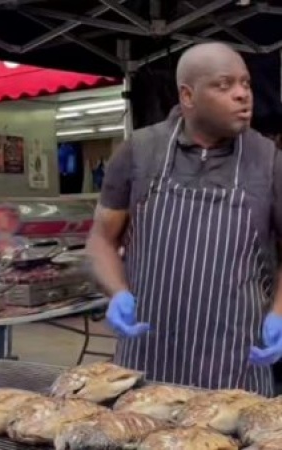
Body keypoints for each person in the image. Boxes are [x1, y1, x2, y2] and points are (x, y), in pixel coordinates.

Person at [87, 42, 282, 396]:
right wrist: (117, 292)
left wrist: (279, 313)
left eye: (246, 83)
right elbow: (102, 238)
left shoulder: (269, 161)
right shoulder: (139, 151)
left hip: (236, 370)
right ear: (188, 96)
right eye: (224, 85)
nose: (243, 94)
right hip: (146, 362)